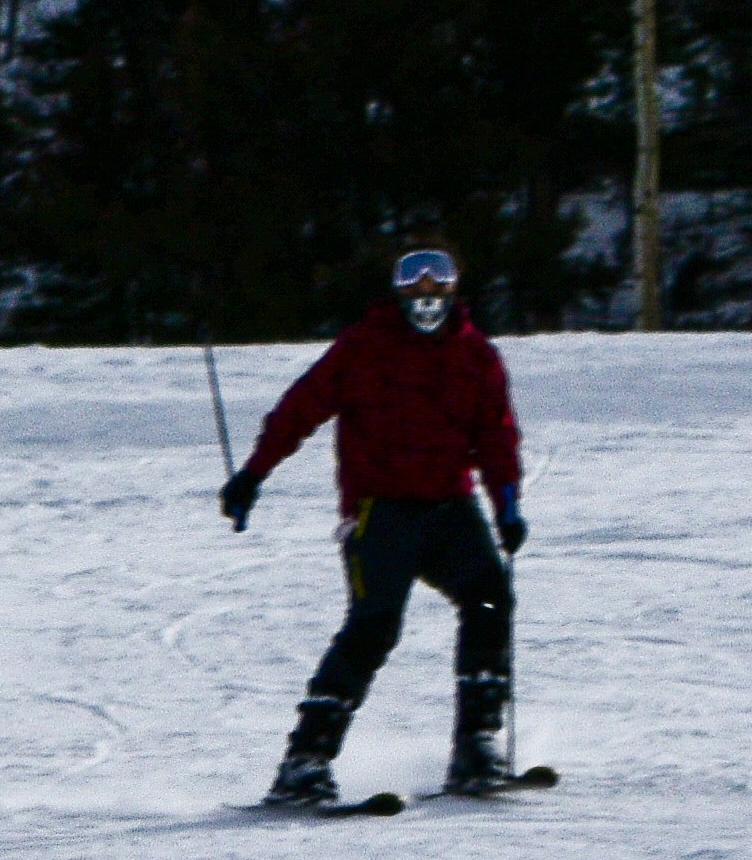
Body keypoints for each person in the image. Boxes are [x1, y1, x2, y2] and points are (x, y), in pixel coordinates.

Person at [221, 243, 529, 803]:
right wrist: (253, 473)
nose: (427, 294)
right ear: (397, 291)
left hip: (449, 505)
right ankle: (304, 761)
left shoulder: (476, 357)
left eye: (438, 284)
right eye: (414, 283)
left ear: (455, 291)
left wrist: (506, 505)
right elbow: (301, 408)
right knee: (375, 622)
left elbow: (497, 436)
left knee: (489, 597)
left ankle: (476, 744)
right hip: (379, 510)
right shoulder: (365, 348)